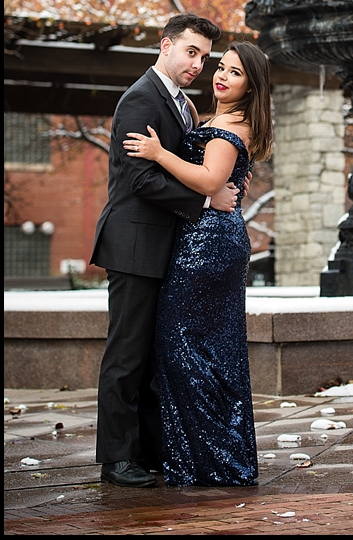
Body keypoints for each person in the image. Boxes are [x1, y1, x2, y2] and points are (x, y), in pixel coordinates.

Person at [90, 14, 240, 488]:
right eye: (190, 52)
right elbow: (139, 178)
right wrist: (204, 199)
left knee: (156, 356)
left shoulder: (182, 105)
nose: (198, 64)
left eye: (204, 56)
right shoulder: (140, 99)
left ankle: (149, 452)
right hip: (134, 244)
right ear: (166, 45)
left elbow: (191, 162)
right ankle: (116, 460)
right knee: (127, 356)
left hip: (165, 245)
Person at [124, 40, 274, 486]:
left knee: (186, 348)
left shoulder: (236, 124)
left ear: (252, 86)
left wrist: (159, 154)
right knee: (205, 352)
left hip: (208, 246)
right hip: (204, 238)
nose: (221, 76)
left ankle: (211, 462)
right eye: (221, 67)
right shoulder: (216, 117)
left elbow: (210, 179)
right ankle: (208, 459)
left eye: (235, 73)